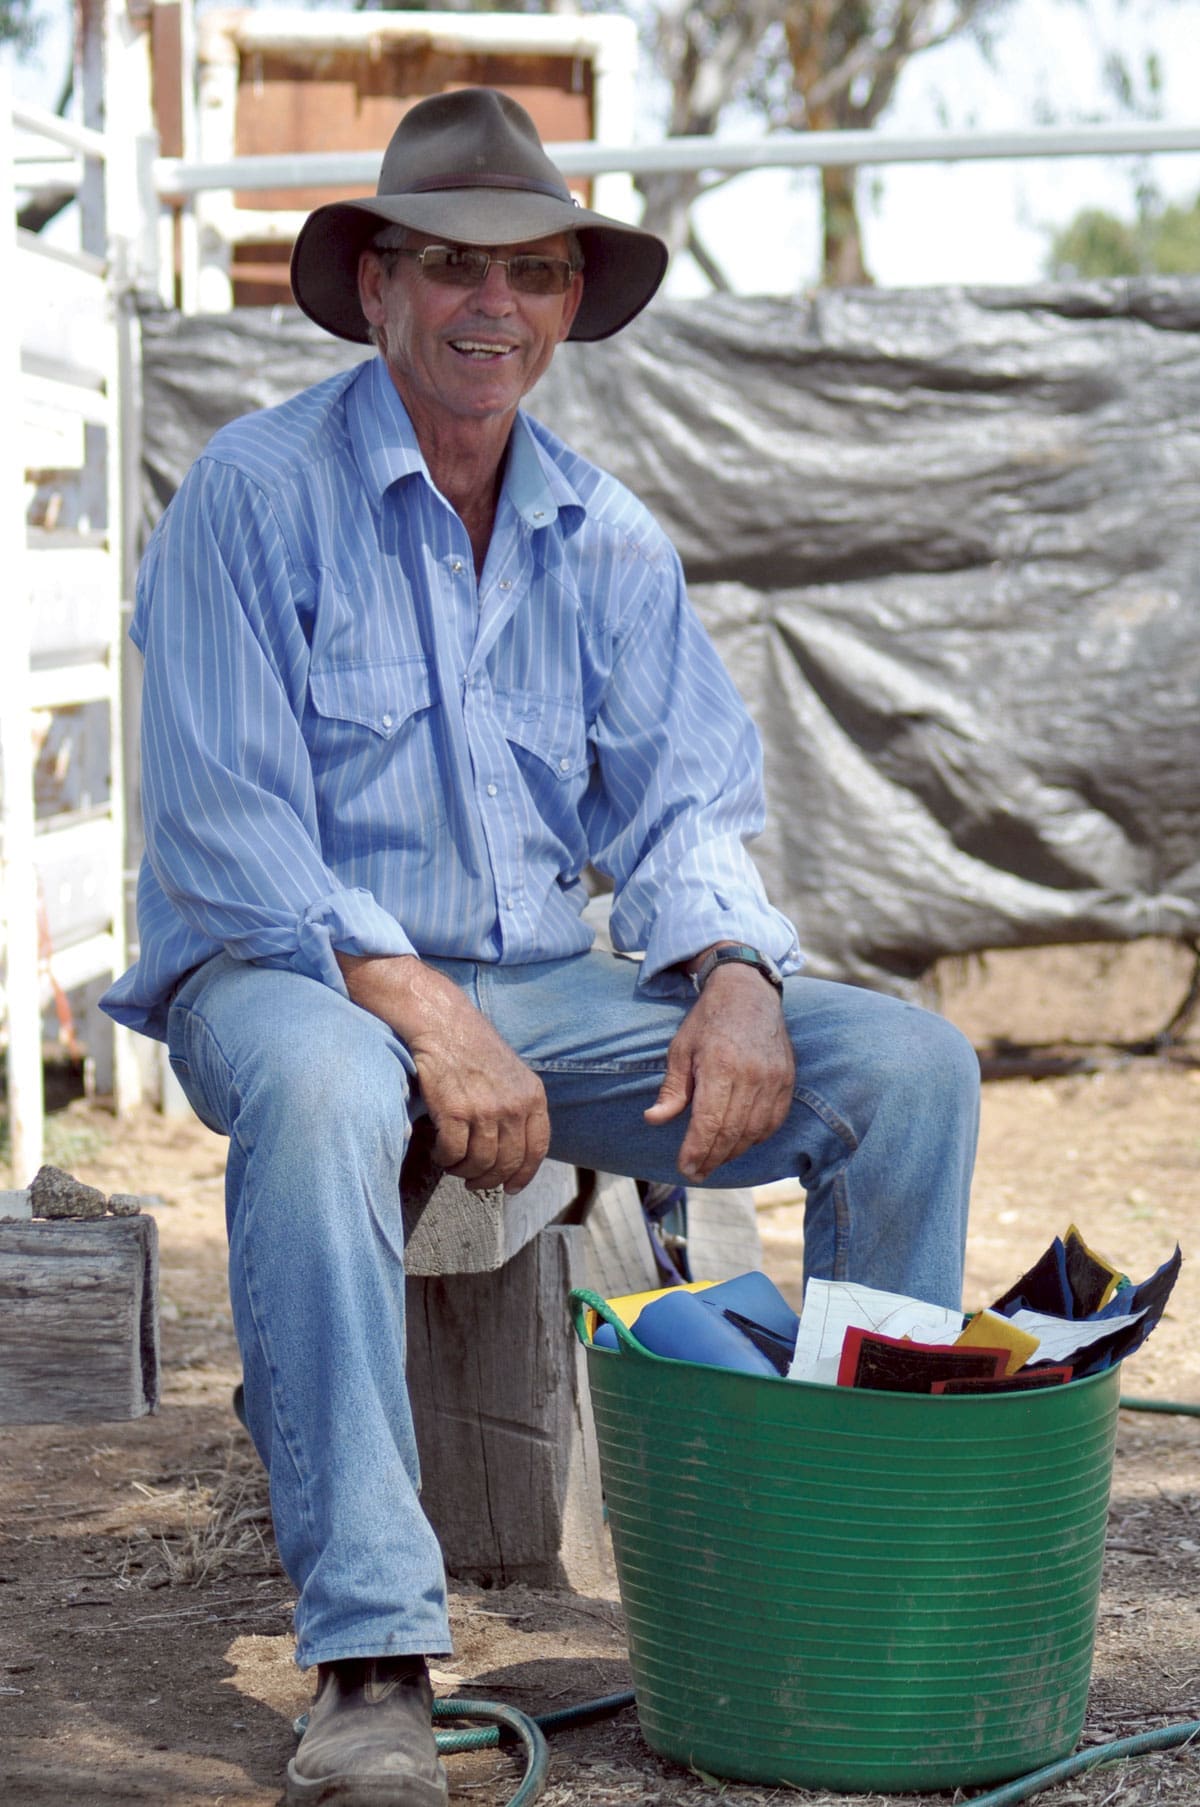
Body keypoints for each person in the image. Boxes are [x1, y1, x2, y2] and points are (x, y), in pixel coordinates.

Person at [103, 87, 980, 1807]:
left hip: (546, 993)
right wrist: (425, 1010)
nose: (488, 305)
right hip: (289, 971)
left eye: (533, 271)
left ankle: (854, 1577)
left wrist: (732, 971)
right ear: (374, 289)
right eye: (446, 265)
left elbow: (686, 815)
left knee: (905, 1070)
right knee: (320, 1085)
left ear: (573, 301)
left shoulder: (609, 537)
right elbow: (232, 837)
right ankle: (367, 1651)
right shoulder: (253, 494)